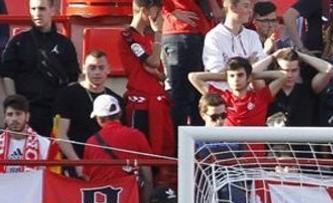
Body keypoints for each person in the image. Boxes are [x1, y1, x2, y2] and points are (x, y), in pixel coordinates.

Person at [0, 0, 80, 136]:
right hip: (27, 113)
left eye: (42, 9)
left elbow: (72, 80)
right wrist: (16, 105)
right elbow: (8, 74)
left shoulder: (65, 45)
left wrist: (67, 110)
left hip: (56, 114)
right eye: (33, 9)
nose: (37, 13)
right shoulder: (18, 42)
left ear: (52, 10)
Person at [122, 0, 177, 169]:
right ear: (145, 11)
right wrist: (159, 33)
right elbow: (152, 62)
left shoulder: (146, 39)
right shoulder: (128, 36)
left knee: (161, 154)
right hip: (140, 106)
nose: (160, 17)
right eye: (157, 12)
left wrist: (153, 70)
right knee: (141, 156)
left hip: (157, 103)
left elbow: (159, 73)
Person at [52, 51, 122, 167]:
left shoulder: (116, 99)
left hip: (107, 165)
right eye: (92, 68)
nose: (97, 72)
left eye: (101, 68)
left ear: (108, 69)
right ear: (84, 69)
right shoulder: (67, 94)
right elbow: (60, 134)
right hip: (76, 162)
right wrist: (77, 164)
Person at [82, 95, 154, 201]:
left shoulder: (91, 142)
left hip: (100, 202)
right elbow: (148, 178)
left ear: (99, 118)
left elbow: (87, 177)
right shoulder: (137, 135)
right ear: (120, 114)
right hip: (129, 200)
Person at [161, 0, 219, 127]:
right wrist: (170, 11)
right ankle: (179, 143)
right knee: (181, 96)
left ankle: (194, 142)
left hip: (201, 31)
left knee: (198, 94)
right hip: (182, 32)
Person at [189, 56, 286, 126]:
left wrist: (252, 76)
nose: (236, 79)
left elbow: (283, 75)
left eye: (240, 75)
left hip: (255, 153)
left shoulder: (261, 96)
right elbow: (193, 77)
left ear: (248, 77)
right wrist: (224, 76)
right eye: (232, 76)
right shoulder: (221, 97)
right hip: (229, 151)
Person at [269, 47, 332, 126]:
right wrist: (273, 56)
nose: (289, 75)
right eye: (285, 70)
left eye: (294, 70)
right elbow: (253, 73)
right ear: (277, 70)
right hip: (274, 137)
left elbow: (329, 70)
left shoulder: (308, 89)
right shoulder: (270, 90)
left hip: (304, 137)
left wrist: (300, 55)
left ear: (299, 70)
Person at [203, 0, 267, 76]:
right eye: (246, 6)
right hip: (222, 87)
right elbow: (216, 71)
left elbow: (261, 65)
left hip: (249, 86)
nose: (250, 11)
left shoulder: (252, 35)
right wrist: (248, 63)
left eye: (251, 7)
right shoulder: (214, 36)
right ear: (232, 7)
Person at [2, 94, 53, 174]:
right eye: (10, 114)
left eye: (18, 114)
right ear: (4, 118)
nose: (14, 119)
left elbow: (50, 177)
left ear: (27, 116)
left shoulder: (44, 144)